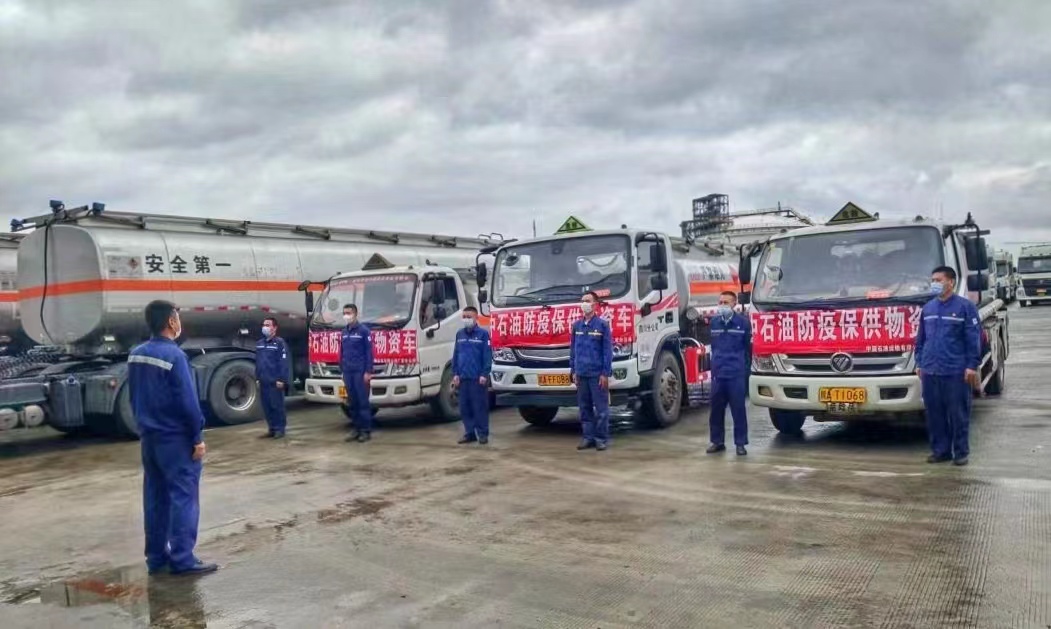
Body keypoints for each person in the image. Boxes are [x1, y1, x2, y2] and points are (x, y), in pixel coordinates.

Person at [128, 300, 217, 576]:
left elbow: (134, 397)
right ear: (170, 321)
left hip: (150, 438)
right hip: (176, 440)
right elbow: (188, 403)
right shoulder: (175, 356)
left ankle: (156, 558)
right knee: (183, 498)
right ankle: (182, 559)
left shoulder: (136, 354)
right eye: (177, 317)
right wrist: (196, 437)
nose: (179, 322)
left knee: (155, 498)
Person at [915, 266, 981, 466]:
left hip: (955, 371)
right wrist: (919, 362)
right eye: (932, 280)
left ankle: (960, 453)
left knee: (958, 414)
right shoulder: (928, 308)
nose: (934, 283)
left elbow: (973, 338)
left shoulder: (965, 307)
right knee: (935, 414)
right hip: (930, 370)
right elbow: (921, 339)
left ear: (950, 282)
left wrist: (971, 365)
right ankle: (941, 451)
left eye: (938, 280)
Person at [706, 291, 752, 456]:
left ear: (734, 304)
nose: (722, 305)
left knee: (738, 410)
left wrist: (745, 370)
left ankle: (740, 444)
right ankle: (717, 441)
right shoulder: (714, 322)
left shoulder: (743, 323)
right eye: (720, 302)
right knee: (716, 411)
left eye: (726, 302)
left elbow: (748, 348)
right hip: (719, 374)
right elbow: (714, 346)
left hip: (735, 374)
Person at [570, 291, 613, 451]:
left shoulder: (602, 325)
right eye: (582, 301)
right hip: (581, 374)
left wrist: (605, 373)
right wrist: (573, 371)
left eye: (587, 301)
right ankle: (587, 438)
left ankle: (601, 439)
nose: (584, 304)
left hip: (597, 375)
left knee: (601, 409)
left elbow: (607, 352)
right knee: (584, 408)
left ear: (595, 304)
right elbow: (573, 350)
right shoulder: (577, 326)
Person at [452, 306, 492, 445]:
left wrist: (484, 374)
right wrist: (455, 373)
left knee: (479, 407)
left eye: (469, 317)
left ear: (476, 318)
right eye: (464, 317)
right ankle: (470, 433)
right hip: (463, 378)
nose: (466, 319)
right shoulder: (459, 334)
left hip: (477, 378)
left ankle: (482, 434)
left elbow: (487, 356)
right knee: (465, 407)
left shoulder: (483, 335)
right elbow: (456, 355)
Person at [340, 304, 374, 443]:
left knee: (362, 402)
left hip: (360, 372)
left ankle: (365, 431)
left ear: (355, 314)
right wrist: (342, 370)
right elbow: (342, 352)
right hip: (348, 371)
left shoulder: (364, 331)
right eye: (344, 313)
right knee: (352, 402)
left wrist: (368, 371)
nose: (346, 316)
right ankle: (356, 429)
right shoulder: (344, 332)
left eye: (348, 313)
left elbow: (369, 353)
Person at [255, 317, 291, 439]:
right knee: (267, 407)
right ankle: (271, 428)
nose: (264, 327)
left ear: (274, 328)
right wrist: (257, 378)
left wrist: (282, 379)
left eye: (268, 325)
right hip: (263, 380)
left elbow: (284, 362)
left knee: (277, 406)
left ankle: (280, 429)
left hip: (275, 381)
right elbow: (258, 362)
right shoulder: (260, 344)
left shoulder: (279, 343)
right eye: (263, 325)